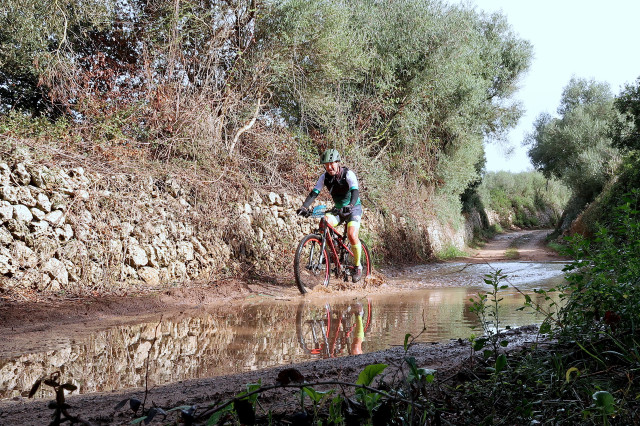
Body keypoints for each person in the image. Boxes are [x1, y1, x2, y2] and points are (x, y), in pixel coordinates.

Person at [296, 148, 364, 282]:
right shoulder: (324, 177)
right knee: (323, 222)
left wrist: (350, 205)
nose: (329, 167)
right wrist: (304, 207)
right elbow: (314, 193)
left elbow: (355, 192)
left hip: (353, 208)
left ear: (338, 162)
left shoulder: (348, 174)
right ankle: (333, 254)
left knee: (351, 235)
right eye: (326, 165)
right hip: (338, 210)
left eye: (332, 163)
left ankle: (358, 266)